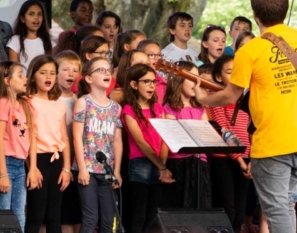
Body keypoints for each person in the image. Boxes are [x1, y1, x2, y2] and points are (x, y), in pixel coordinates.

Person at [194, 0, 297, 233]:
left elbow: (230, 94)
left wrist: (204, 99)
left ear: (255, 15)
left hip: (274, 140)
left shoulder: (250, 50)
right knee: (285, 203)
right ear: (285, 11)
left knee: (276, 207)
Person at [121, 64, 174, 233]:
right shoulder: (129, 110)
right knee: (139, 214)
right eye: (146, 81)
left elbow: (165, 138)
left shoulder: (158, 108)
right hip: (140, 164)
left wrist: (163, 165)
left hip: (159, 163)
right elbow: (141, 143)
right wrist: (162, 167)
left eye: (153, 81)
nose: (152, 85)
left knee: (153, 215)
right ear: (134, 85)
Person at [73, 57, 123, 233]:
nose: (106, 73)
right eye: (100, 70)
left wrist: (116, 170)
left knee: (108, 221)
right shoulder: (83, 103)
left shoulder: (116, 108)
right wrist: (82, 168)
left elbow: (117, 141)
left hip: (107, 171)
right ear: (88, 78)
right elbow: (77, 137)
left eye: (108, 70)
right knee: (90, 217)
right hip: (88, 169)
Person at [24, 55, 71, 233]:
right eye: (43, 73)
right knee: (36, 214)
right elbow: (30, 136)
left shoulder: (58, 104)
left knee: (54, 215)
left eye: (52, 73)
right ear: (33, 75)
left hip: (56, 161)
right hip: (37, 160)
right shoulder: (28, 101)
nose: (48, 77)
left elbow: (64, 138)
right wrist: (32, 168)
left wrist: (66, 169)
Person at [207, 55, 252, 232]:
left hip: (247, 158)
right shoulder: (216, 97)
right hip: (224, 158)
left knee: (240, 211)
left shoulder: (248, 98)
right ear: (218, 77)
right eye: (229, 72)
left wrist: (252, 160)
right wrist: (240, 159)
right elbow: (223, 129)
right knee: (227, 209)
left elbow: (254, 131)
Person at [161, 61, 211, 209]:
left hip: (200, 162)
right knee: (180, 205)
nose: (197, 82)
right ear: (178, 80)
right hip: (179, 163)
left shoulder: (200, 108)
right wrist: (162, 167)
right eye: (192, 78)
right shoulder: (170, 108)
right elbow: (170, 139)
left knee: (200, 204)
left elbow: (206, 135)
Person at [0, 62, 33, 232]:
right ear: (7, 80)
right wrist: (3, 173)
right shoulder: (4, 103)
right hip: (7, 163)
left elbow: (30, 137)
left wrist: (32, 167)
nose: (25, 79)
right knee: (5, 213)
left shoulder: (24, 104)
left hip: (20, 165)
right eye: (20, 75)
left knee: (19, 213)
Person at [54, 51, 83, 233]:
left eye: (75, 70)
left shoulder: (78, 100)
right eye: (65, 69)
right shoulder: (52, 100)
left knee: (73, 213)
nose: (71, 74)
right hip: (57, 161)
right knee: (59, 212)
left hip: (74, 163)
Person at [8, 0, 52, 68]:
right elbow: (14, 70)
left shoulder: (50, 40)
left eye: (39, 14)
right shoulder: (15, 41)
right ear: (22, 18)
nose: (36, 17)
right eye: (31, 14)